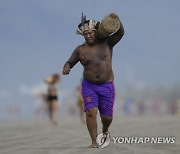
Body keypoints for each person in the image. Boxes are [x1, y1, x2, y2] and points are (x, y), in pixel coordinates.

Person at [62, 13, 124, 148]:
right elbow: (70, 62)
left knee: (106, 117)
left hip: (107, 85)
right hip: (89, 86)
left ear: (97, 32)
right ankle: (94, 141)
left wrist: (116, 20)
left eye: (91, 33)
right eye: (86, 34)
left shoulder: (108, 43)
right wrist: (66, 67)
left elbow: (120, 33)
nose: (88, 35)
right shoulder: (80, 50)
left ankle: (105, 130)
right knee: (91, 112)